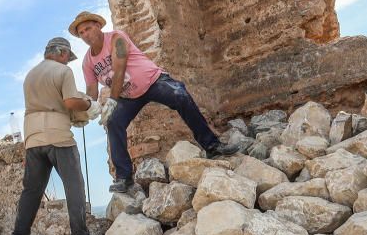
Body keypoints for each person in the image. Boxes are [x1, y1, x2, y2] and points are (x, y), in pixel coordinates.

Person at [69, 11, 240, 194]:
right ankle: (124, 178)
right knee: (113, 122)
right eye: (81, 33)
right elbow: (91, 92)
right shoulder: (88, 61)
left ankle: (211, 145)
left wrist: (111, 101)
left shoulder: (116, 38)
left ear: (98, 25)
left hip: (153, 81)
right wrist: (86, 109)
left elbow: (119, 70)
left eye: (88, 28)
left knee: (179, 95)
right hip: (128, 97)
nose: (86, 35)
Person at [9, 37, 105, 235]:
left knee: (31, 192)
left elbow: (45, 102)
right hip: (58, 136)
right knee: (75, 187)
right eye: (67, 58)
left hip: (33, 138)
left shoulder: (30, 75)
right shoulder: (63, 72)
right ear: (61, 53)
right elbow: (71, 101)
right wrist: (90, 106)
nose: (67, 62)